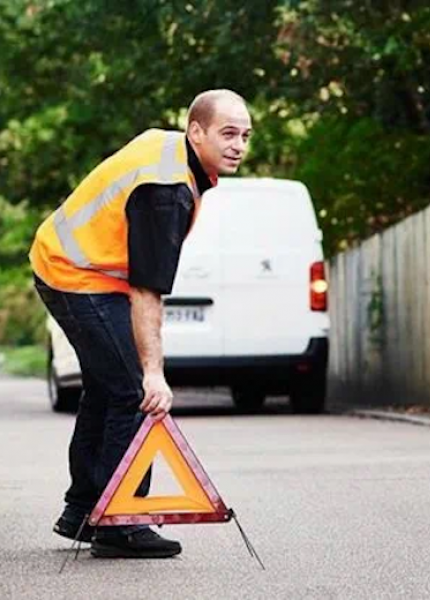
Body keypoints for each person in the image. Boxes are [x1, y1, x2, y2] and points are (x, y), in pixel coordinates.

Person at [30, 89, 252, 559]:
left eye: (245, 136)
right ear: (196, 131)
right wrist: (154, 373)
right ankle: (120, 523)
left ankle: (84, 510)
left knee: (107, 387)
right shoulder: (165, 192)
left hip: (66, 263)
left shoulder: (171, 149)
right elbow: (146, 291)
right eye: (228, 133)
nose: (239, 145)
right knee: (133, 392)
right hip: (77, 275)